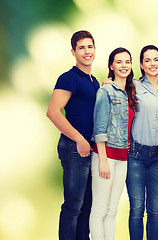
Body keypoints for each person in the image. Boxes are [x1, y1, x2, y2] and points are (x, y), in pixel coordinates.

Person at [46, 30, 99, 240]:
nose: (86, 51)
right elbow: (53, 112)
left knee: (86, 206)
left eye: (90, 46)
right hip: (74, 148)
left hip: (88, 149)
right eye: (81, 48)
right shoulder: (68, 78)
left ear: (95, 49)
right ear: (73, 52)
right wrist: (79, 139)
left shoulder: (93, 81)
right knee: (73, 207)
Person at [89, 47, 137, 240]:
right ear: (111, 66)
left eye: (127, 61)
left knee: (112, 210)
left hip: (123, 158)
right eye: (119, 62)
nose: (123, 65)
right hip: (105, 156)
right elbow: (99, 127)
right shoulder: (105, 91)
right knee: (99, 209)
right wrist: (102, 160)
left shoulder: (130, 93)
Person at [126, 45, 158, 240]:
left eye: (156, 59)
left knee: (155, 210)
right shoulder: (133, 86)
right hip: (136, 155)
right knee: (136, 208)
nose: (153, 64)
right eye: (148, 60)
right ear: (142, 65)